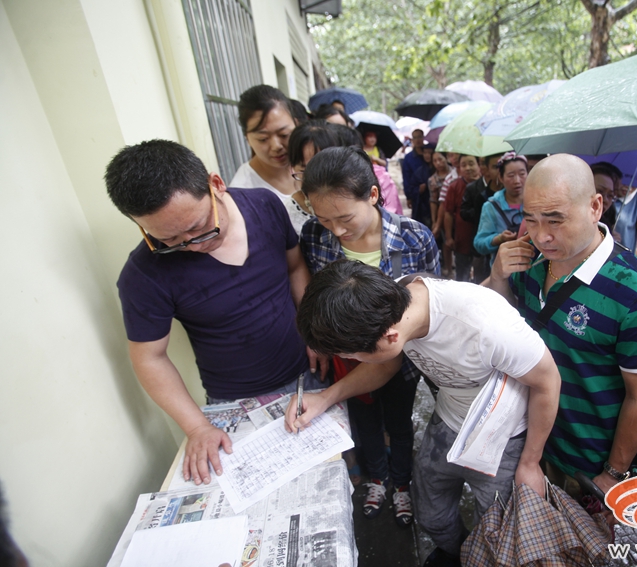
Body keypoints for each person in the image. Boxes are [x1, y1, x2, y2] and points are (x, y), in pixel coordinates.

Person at [286, 260, 560, 567]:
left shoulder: (487, 326)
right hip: (447, 422)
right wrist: (325, 398)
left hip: (505, 439)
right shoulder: (391, 304)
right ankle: (457, 554)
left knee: (498, 531)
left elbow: (548, 381)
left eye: (352, 356)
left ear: (390, 337)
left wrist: (530, 462)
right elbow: (384, 366)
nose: (353, 362)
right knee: (431, 515)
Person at [106, 139, 323, 486]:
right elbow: (150, 358)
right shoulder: (143, 275)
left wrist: (314, 332)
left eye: (200, 226)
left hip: (307, 373)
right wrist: (196, 427)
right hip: (233, 400)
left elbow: (295, 267)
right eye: (171, 240)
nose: (194, 245)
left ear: (216, 185)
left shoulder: (265, 206)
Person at [483, 154, 637, 502]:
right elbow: (496, 322)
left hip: (585, 465)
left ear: (595, 207)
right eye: (530, 219)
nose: (542, 236)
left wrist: (612, 474)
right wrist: (497, 276)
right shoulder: (527, 260)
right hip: (524, 439)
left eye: (555, 220)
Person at [298, 147, 439, 528]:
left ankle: (402, 482)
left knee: (399, 421)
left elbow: (435, 299)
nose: (336, 230)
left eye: (345, 218)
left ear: (373, 195)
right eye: (324, 219)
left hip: (403, 359)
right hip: (347, 359)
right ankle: (378, 479)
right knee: (363, 420)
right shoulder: (313, 235)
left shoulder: (414, 237)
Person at [229, 85, 311, 233]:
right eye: (263, 139)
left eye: (284, 134)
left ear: (296, 125)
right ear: (247, 138)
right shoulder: (243, 193)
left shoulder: (312, 161)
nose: (276, 146)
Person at [474, 152, 528, 264]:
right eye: (511, 175)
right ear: (501, 177)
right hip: (505, 268)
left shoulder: (537, 202)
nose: (517, 181)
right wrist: (499, 239)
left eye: (522, 174)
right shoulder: (491, 206)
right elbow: (479, 244)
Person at [460, 154, 502, 281]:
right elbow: (464, 212)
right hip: (482, 245)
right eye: (495, 167)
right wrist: (486, 214)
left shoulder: (512, 193)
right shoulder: (476, 191)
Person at [444, 154, 482, 282]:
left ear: (478, 165)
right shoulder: (454, 186)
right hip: (462, 238)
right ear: (459, 168)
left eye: (471, 164)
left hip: (481, 237)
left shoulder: (486, 184)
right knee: (462, 274)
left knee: (481, 275)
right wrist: (449, 237)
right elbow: (448, 213)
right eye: (463, 165)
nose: (468, 168)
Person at [402, 129, 427, 213]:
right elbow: (406, 177)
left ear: (423, 138)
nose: (417, 140)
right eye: (415, 138)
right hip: (416, 193)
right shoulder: (408, 158)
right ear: (412, 140)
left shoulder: (429, 153)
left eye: (419, 137)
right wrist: (409, 197)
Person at [410, 145, 435, 226]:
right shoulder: (419, 172)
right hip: (424, 209)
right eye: (425, 153)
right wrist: (419, 190)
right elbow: (412, 189)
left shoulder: (439, 170)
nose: (427, 155)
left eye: (429, 153)